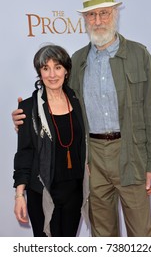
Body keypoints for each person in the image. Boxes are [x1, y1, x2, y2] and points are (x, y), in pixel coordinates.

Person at [12, 0, 151, 237]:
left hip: (131, 155)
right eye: (92, 14)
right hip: (91, 159)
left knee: (142, 235)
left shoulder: (139, 55)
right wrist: (25, 117)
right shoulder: (78, 59)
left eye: (104, 12)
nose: (98, 20)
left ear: (114, 14)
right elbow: (54, 97)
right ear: (84, 19)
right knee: (102, 235)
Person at [13, 44, 86, 237]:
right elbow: (24, 153)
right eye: (46, 68)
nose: (52, 74)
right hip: (42, 192)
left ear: (67, 70)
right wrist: (19, 195)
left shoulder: (78, 101)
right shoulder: (29, 108)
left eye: (58, 67)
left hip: (74, 191)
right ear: (39, 72)